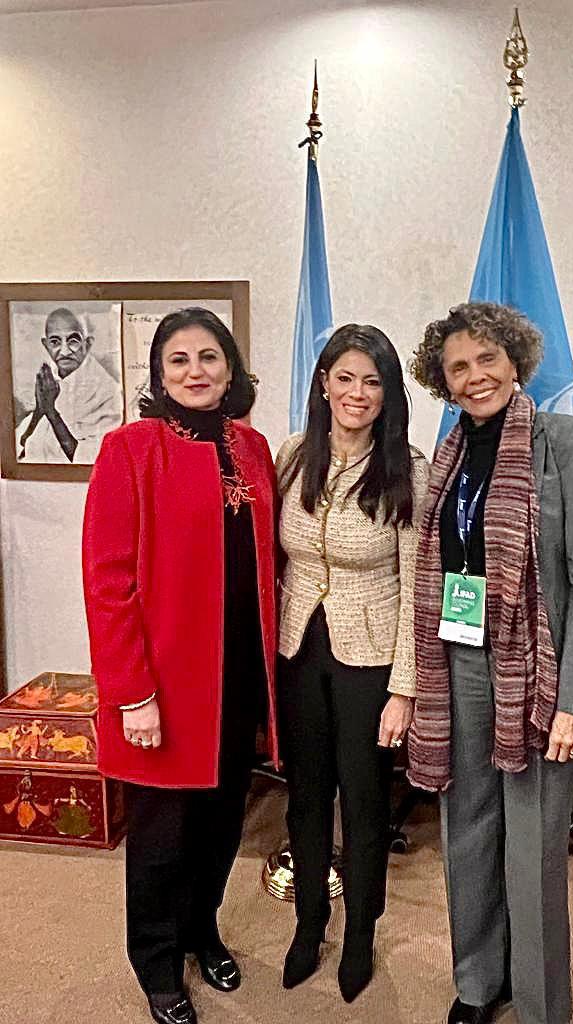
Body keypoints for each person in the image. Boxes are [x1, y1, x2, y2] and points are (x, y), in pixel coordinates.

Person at [407, 302, 573, 1024]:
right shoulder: (448, 455)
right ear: (442, 381)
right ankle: (478, 982)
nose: (475, 377)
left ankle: (540, 1005)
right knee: (466, 830)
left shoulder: (563, 441)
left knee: (531, 846)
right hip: (459, 662)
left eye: (486, 359)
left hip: (539, 671)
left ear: (515, 361)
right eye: (457, 367)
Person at [82, 308, 278, 1024]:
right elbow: (107, 582)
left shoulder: (252, 448)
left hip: (239, 678)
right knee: (161, 840)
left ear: (230, 368)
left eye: (209, 357)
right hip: (164, 686)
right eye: (179, 360)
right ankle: (158, 965)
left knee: (223, 824)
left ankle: (203, 930)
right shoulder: (129, 449)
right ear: (159, 375)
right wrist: (132, 693)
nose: (196, 371)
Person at [275, 324, 429, 1003]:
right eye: (345, 378)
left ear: (388, 394)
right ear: (323, 384)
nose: (357, 393)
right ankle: (309, 923)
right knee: (305, 797)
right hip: (297, 648)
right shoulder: (292, 455)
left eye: (372, 381)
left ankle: (361, 932)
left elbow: (419, 585)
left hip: (372, 657)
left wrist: (406, 690)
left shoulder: (408, 469)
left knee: (364, 801)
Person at [17, 307, 122, 462]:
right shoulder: (51, 381)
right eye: (55, 342)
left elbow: (91, 459)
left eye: (73, 341)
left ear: (88, 344)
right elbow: (21, 445)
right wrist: (40, 409)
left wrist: (51, 411)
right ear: (46, 345)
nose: (65, 351)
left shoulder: (107, 392)